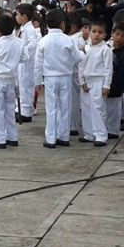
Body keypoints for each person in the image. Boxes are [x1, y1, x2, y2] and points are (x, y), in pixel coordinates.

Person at [34, 8, 82, 148]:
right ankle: (64, 136)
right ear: (62, 24)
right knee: (65, 107)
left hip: (50, 77)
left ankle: (51, 138)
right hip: (66, 76)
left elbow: (38, 64)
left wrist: (38, 81)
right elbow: (77, 57)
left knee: (51, 107)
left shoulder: (43, 41)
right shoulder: (68, 40)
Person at [0, 13, 28, 149]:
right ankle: (12, 137)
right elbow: (25, 58)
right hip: (11, 80)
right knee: (9, 109)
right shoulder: (19, 43)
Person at [78, 19, 113, 146]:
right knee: (86, 108)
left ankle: (100, 135)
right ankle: (89, 134)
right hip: (86, 82)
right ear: (89, 32)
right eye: (94, 31)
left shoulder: (105, 49)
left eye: (100, 32)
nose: (96, 34)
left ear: (104, 35)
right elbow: (80, 66)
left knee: (98, 109)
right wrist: (82, 82)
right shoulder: (85, 48)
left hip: (99, 80)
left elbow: (109, 68)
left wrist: (106, 85)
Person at [15, 3, 39, 123]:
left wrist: (23, 51)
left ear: (24, 16)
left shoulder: (30, 29)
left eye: (18, 15)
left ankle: (26, 112)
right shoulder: (24, 28)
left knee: (26, 86)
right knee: (22, 85)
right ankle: (23, 109)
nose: (16, 17)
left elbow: (33, 43)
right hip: (22, 62)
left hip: (27, 62)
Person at [107, 22, 124, 139]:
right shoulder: (107, 47)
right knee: (106, 109)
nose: (119, 38)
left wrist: (115, 83)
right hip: (106, 84)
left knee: (114, 110)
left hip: (116, 86)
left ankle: (113, 131)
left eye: (122, 36)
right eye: (117, 34)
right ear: (112, 33)